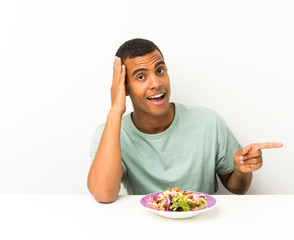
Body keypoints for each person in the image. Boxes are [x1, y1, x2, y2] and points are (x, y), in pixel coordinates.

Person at [87, 38, 283, 203]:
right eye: (140, 77)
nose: (156, 83)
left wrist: (242, 170)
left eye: (160, 70)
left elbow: (237, 188)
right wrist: (115, 110)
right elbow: (103, 194)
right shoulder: (109, 134)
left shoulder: (208, 122)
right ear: (125, 88)